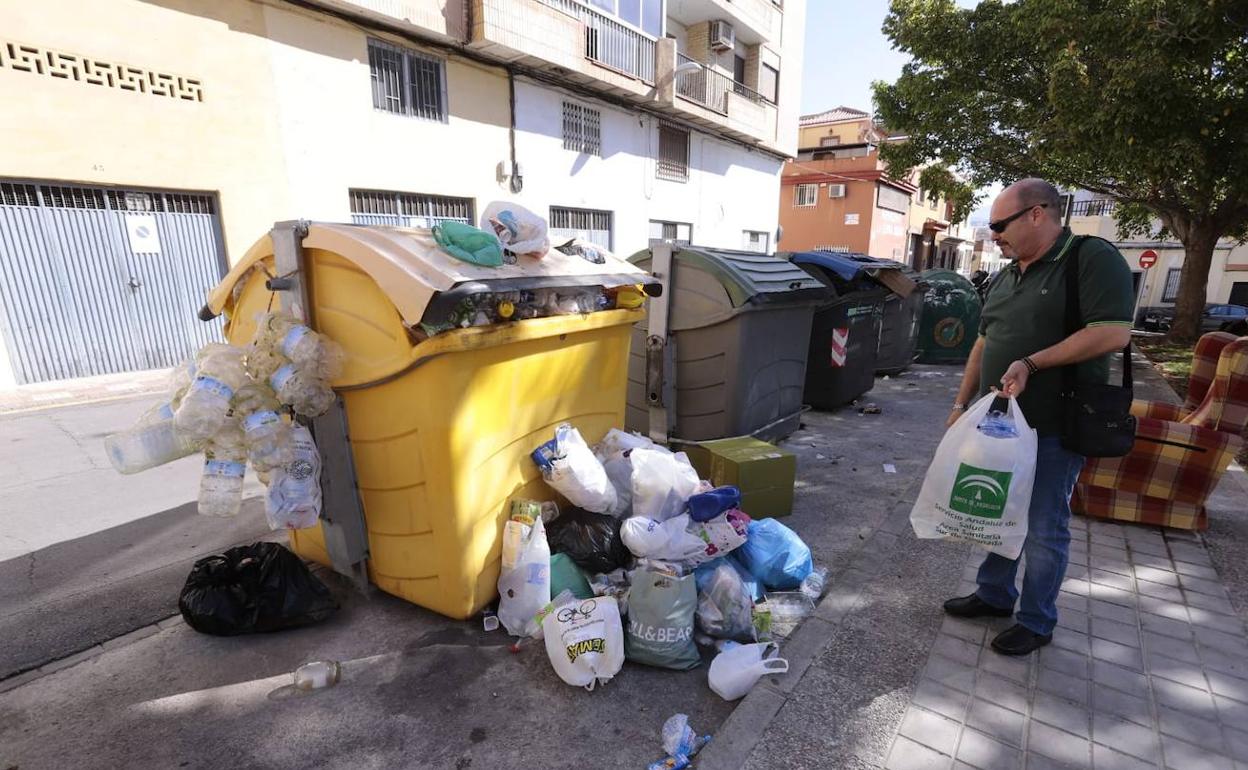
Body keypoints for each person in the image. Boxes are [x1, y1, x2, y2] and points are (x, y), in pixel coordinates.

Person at [941, 179, 1135, 655]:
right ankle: (993, 595)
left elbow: (1113, 333)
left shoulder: (1089, 257)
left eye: (1000, 225)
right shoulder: (1007, 275)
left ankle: (1037, 620)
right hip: (1000, 425)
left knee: (1045, 526)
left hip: (1055, 424)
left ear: (1038, 214)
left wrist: (1031, 363)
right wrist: (959, 404)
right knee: (997, 513)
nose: (993, 236)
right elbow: (984, 343)